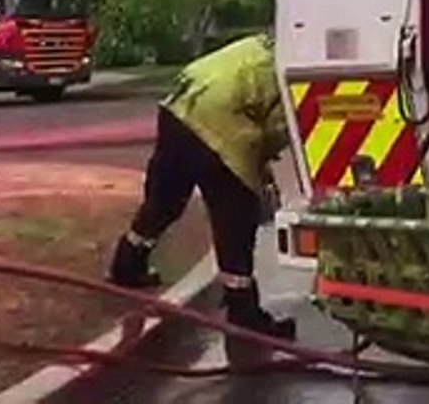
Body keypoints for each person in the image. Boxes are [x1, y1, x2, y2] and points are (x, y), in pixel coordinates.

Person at [107, 33, 296, 340]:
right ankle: (243, 312)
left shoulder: (259, 45)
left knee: (165, 198)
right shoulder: (290, 69)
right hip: (220, 121)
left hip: (178, 106)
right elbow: (277, 128)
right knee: (235, 215)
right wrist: (262, 176)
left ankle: (126, 264)